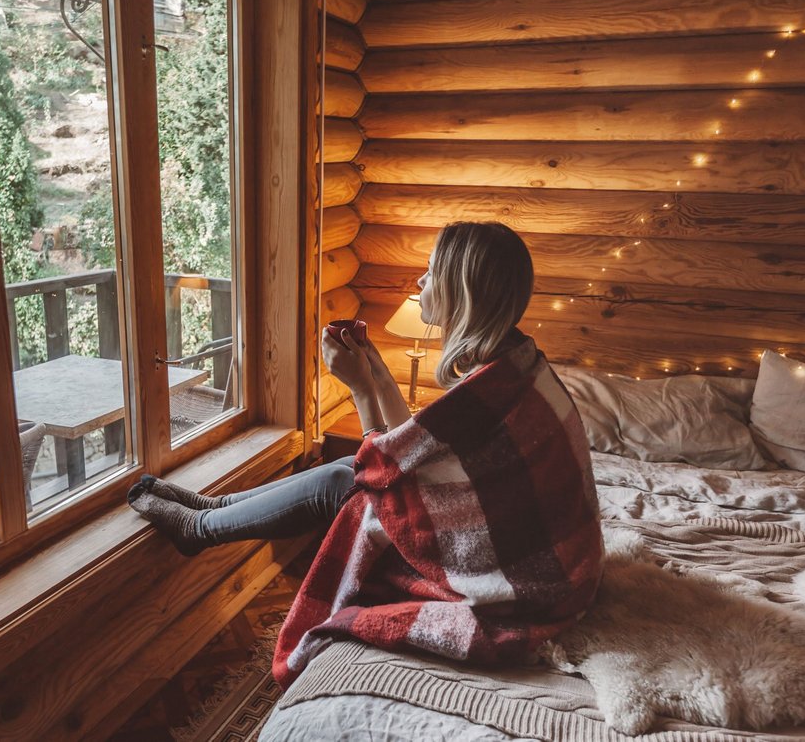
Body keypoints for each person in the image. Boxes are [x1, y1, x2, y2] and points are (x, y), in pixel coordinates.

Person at [128, 221, 604, 688]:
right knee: (343, 471)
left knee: (345, 482)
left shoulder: (490, 390)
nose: (420, 282)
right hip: (554, 567)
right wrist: (375, 372)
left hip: (529, 586)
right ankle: (214, 511)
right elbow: (410, 444)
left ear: (462, 292)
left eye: (433, 272)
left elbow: (383, 466)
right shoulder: (511, 360)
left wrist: (358, 386)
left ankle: (200, 529)